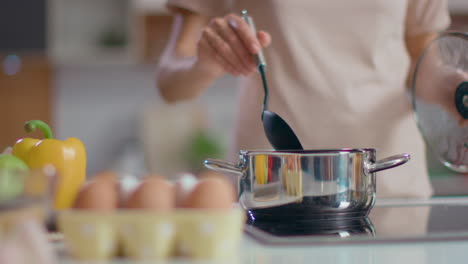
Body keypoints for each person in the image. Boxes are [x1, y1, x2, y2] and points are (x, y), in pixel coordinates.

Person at [156, 0, 455, 198]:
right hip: (273, 191)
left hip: (386, 185)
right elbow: (170, 85)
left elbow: (420, 61)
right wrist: (205, 64)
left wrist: (450, 86)